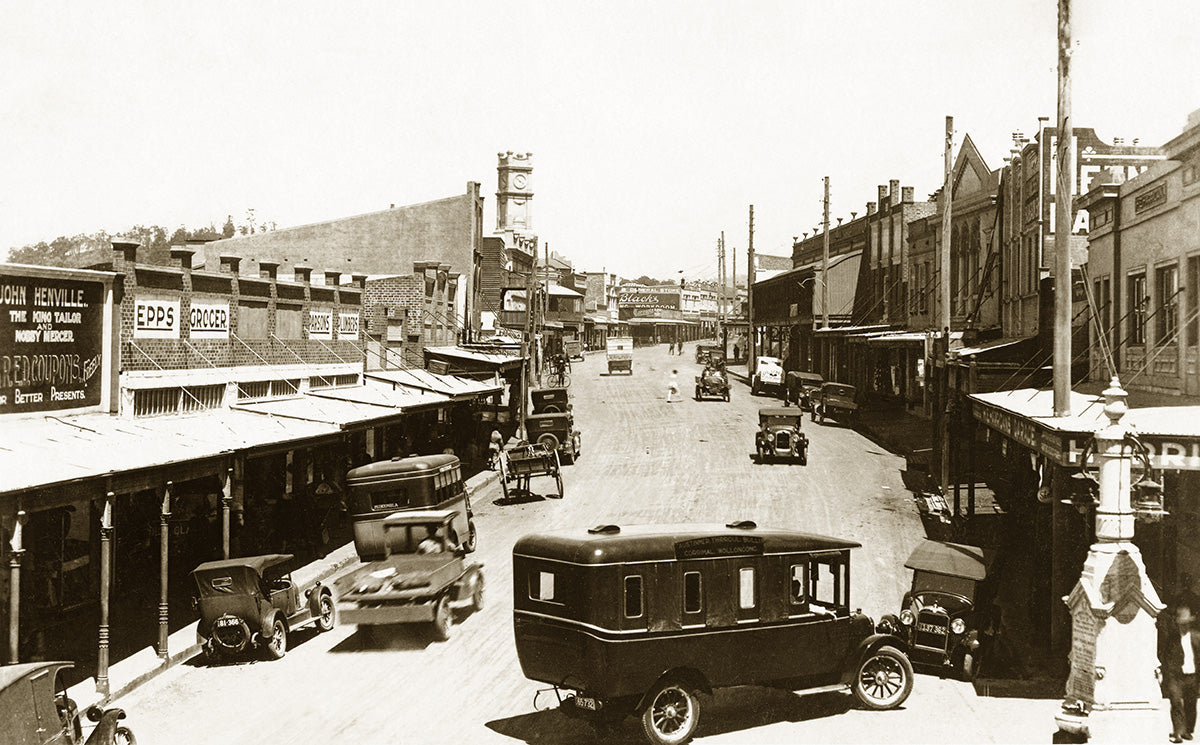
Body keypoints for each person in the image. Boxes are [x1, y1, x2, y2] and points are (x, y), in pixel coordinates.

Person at [1160, 596, 1200, 742]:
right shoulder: (1172, 639)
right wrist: (1166, 674)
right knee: (1176, 702)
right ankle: (1177, 733)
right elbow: (1165, 656)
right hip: (1176, 676)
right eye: (1181, 624)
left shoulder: (1196, 638)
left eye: (1186, 623)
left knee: (1191, 704)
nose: (1183, 626)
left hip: (1192, 676)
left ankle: (1187, 730)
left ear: (1189, 623)